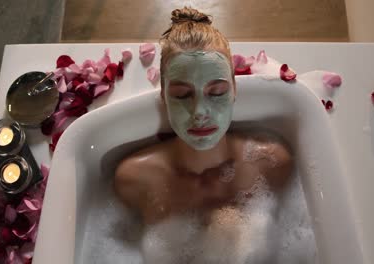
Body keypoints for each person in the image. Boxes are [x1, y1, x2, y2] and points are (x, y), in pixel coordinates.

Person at [115, 7, 292, 225]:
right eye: (182, 95)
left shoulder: (271, 164)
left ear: (234, 89)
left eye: (216, 93)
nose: (199, 112)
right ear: (163, 95)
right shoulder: (135, 179)